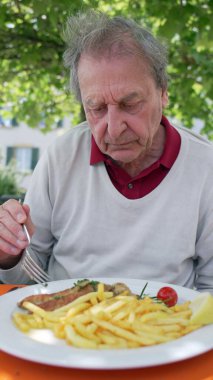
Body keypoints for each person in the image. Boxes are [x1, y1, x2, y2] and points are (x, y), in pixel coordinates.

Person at [0, 10, 212, 292]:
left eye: (130, 103)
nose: (113, 129)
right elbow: (27, 277)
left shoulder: (205, 166)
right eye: (97, 108)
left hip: (166, 330)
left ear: (163, 92)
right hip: (65, 327)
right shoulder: (61, 157)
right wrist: (9, 251)